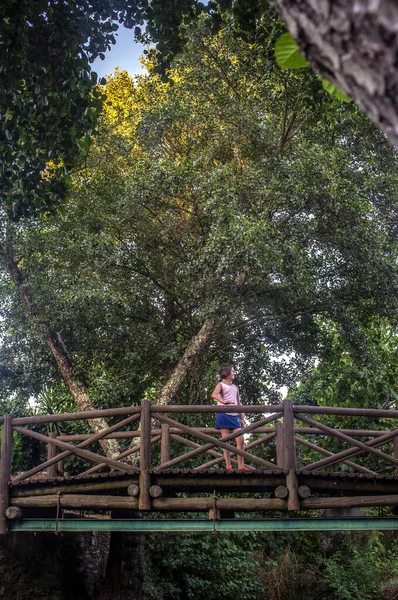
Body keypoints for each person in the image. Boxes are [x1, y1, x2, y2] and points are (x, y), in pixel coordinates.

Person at [211, 364, 248, 471]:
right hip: (223, 414)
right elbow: (214, 394)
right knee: (226, 441)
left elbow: (238, 403)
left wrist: (241, 417)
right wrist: (223, 402)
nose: (234, 373)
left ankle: (241, 465)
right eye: (232, 371)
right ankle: (228, 466)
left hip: (234, 415)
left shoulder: (235, 387)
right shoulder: (221, 385)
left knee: (240, 439)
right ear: (226, 373)